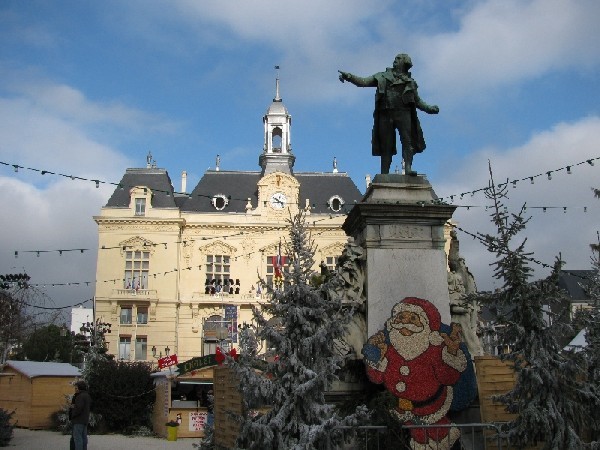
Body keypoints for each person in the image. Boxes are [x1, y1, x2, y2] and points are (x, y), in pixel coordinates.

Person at [362, 297, 467, 449]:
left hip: (431, 410)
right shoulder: (389, 350)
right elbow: (377, 378)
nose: (406, 322)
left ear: (424, 325)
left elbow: (448, 378)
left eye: (413, 318)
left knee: (443, 438)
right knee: (414, 439)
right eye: (402, 317)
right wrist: (377, 356)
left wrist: (451, 352)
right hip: (400, 411)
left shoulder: (434, 351)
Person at [339, 53, 439, 175]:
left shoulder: (410, 82)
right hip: (386, 113)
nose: (395, 60)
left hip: (404, 113)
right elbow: (363, 82)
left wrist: (429, 108)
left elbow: (417, 101)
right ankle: (384, 173)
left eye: (398, 59)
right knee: (386, 145)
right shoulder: (382, 76)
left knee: (407, 141)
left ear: (405, 63)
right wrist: (349, 77)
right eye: (395, 58)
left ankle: (407, 168)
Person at [69, 380, 91, 450]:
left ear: (80, 388)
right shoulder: (87, 395)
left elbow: (78, 409)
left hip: (78, 420)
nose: (75, 389)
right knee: (83, 438)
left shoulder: (80, 396)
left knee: (78, 439)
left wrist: (72, 413)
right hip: (84, 420)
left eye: (76, 388)